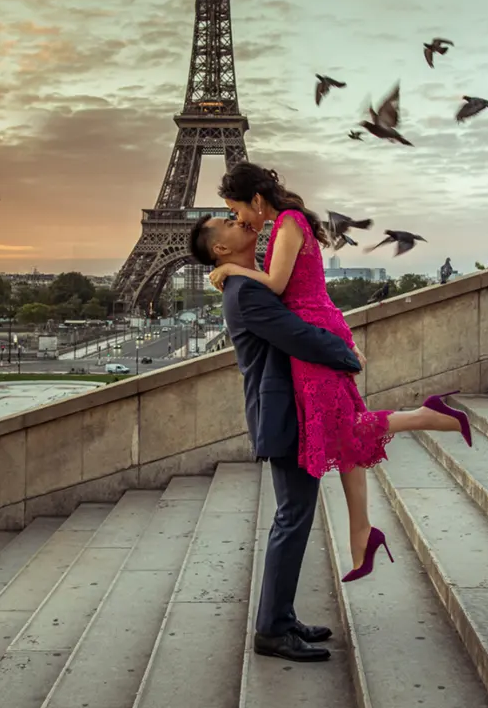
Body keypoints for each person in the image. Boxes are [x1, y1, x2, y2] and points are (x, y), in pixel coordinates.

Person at [203, 162, 474, 582]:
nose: (237, 219)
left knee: (347, 428)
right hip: (314, 330)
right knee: (346, 439)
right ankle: (361, 534)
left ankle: (426, 415)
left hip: (311, 338)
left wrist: (232, 269)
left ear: (255, 200)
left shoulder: (288, 223)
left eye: (234, 209)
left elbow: (275, 286)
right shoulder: (283, 225)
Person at [188, 212, 357, 664]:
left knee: (294, 514)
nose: (235, 219)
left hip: (286, 409)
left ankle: (279, 617)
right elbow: (297, 335)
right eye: (224, 220)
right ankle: (271, 629)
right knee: (293, 516)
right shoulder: (245, 292)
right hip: (283, 413)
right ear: (219, 249)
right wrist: (346, 353)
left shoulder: (247, 283)